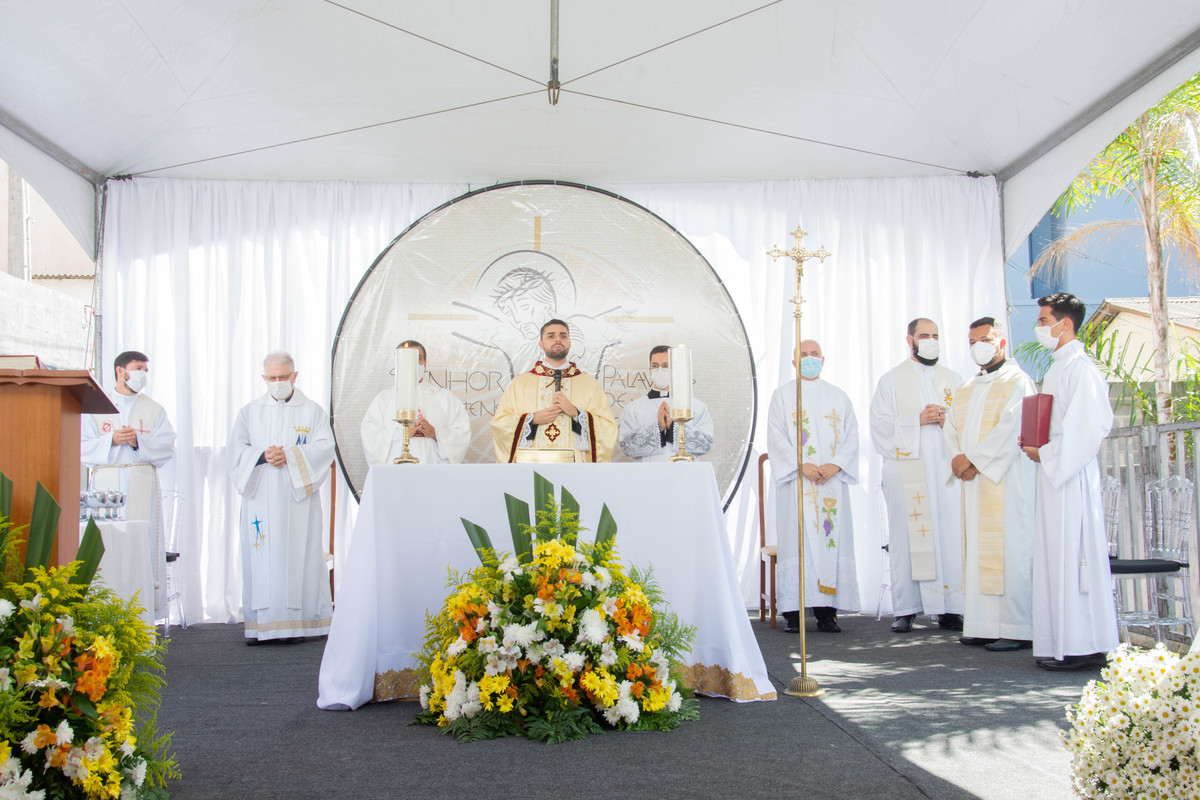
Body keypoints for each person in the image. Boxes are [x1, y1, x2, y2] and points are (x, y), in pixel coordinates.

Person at [1021, 293, 1118, 670]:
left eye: (1044, 321)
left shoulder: (1080, 368)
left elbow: (1089, 428)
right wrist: (1035, 444)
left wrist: (1045, 453)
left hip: (1071, 477)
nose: (1039, 327)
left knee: (1073, 558)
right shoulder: (1058, 367)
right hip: (1054, 474)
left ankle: (1083, 645)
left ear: (1066, 324)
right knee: (1055, 558)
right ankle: (1060, 641)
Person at [943, 317, 1036, 651]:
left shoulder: (1018, 382)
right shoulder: (967, 387)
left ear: (1001, 342)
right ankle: (982, 624)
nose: (978, 346)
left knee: (1010, 549)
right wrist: (957, 458)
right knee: (978, 550)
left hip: (1006, 481)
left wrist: (972, 460)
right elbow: (950, 429)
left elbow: (1012, 429)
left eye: (985, 339)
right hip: (974, 482)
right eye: (972, 342)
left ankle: (1016, 628)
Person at [229, 351, 335, 645]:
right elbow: (235, 452)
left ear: (295, 376)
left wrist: (290, 455)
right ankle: (261, 626)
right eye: (272, 377)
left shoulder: (312, 411)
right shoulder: (250, 412)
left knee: (298, 553)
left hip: (296, 497)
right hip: (260, 495)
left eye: (283, 377)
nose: (277, 382)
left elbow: (325, 448)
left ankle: (300, 625)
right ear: (264, 378)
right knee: (261, 554)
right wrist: (262, 455)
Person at [870, 318, 964, 633]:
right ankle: (907, 609)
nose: (931, 340)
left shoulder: (954, 379)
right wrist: (917, 420)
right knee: (906, 538)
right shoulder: (891, 380)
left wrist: (948, 420)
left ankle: (950, 607)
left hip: (945, 472)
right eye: (925, 335)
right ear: (910, 341)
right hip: (906, 473)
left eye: (936, 335)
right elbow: (879, 427)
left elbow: (969, 423)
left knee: (948, 534)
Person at [767, 340, 860, 633]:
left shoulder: (838, 396)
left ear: (823, 359)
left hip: (831, 481)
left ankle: (827, 613)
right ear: (794, 362)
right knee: (798, 542)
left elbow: (852, 435)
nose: (809, 359)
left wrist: (836, 465)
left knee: (829, 542)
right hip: (797, 481)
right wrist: (800, 464)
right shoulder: (782, 395)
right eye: (803, 355)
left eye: (814, 354)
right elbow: (775, 435)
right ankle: (793, 614)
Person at [81, 349, 176, 615]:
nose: (143, 375)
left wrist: (137, 441)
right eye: (137, 369)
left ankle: (143, 612)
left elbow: (167, 447)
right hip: (107, 484)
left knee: (141, 544)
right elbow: (81, 447)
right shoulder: (96, 407)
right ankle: (102, 608)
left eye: (146, 370)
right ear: (120, 371)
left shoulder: (154, 409)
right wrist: (110, 441)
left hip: (141, 482)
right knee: (107, 545)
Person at [491, 319, 617, 463]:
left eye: (563, 336)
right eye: (551, 336)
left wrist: (576, 413)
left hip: (575, 467)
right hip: (532, 465)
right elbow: (500, 424)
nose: (558, 339)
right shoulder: (520, 384)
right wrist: (531, 420)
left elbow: (608, 428)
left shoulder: (589, 384)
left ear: (569, 343)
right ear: (541, 344)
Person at [360, 341, 472, 466]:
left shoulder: (446, 398)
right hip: (397, 468)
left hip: (432, 466)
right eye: (405, 358)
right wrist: (402, 434)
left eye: (417, 359)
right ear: (397, 363)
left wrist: (435, 433)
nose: (411, 364)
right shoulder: (384, 399)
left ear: (425, 363)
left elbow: (461, 433)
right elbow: (370, 436)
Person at [618, 345, 714, 462]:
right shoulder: (633, 408)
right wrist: (658, 429)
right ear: (650, 370)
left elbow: (706, 444)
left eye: (665, 365)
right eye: (655, 365)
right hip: (648, 471)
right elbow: (627, 447)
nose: (660, 370)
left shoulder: (696, 406)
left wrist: (673, 427)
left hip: (685, 471)